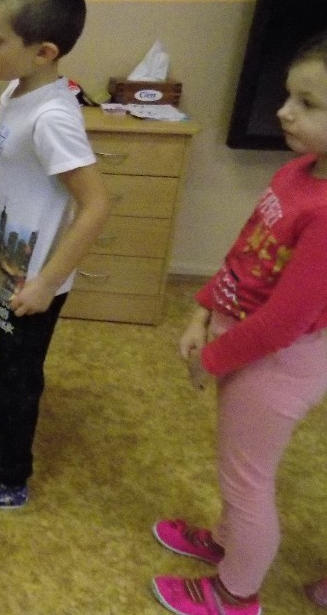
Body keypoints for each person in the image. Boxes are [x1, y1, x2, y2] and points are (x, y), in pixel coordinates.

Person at [150, 31, 327, 615]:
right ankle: (228, 542)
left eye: (309, 103)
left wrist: (211, 358)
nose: (284, 111)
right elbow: (246, 252)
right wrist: (203, 307)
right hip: (245, 348)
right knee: (235, 468)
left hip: (276, 365)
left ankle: (236, 594)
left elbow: (283, 323)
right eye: (289, 96)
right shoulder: (298, 172)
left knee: (246, 481)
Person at [0, 0, 109, 509]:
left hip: (34, 283)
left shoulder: (53, 118)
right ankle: (0, 434)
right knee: (2, 365)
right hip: (11, 270)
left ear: (43, 53)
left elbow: (96, 205)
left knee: (18, 377)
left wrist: (45, 283)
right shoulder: (19, 91)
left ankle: (11, 479)